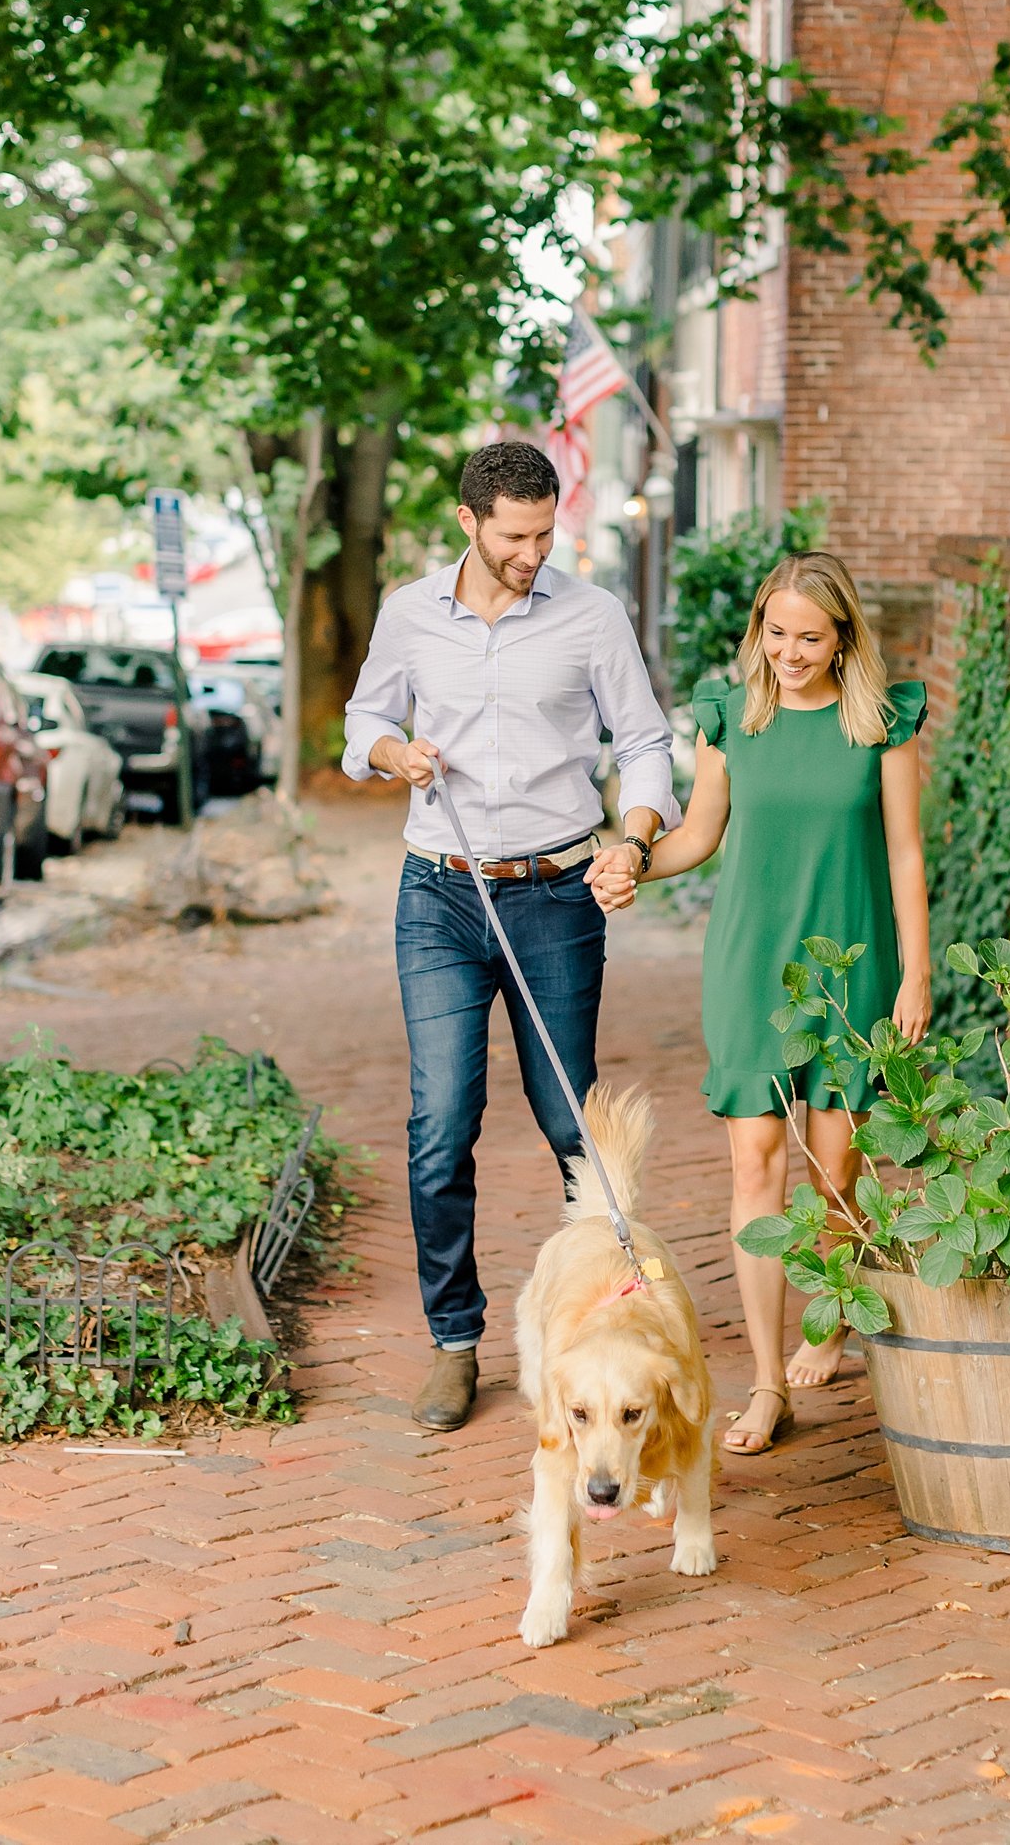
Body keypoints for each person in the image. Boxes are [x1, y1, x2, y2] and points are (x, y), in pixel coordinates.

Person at [343, 441, 677, 1433]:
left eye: (546, 533)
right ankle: (454, 1340)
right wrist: (396, 749)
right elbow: (362, 725)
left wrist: (637, 834)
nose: (535, 552)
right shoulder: (410, 614)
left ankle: (622, 1311)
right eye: (516, 536)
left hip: (555, 893)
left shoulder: (591, 616)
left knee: (572, 1121)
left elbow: (646, 742)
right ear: (470, 524)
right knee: (441, 1123)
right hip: (438, 894)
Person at [588, 551, 929, 1453]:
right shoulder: (731, 719)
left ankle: (837, 1311)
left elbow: (904, 855)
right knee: (756, 1166)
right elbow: (698, 835)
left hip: (854, 966)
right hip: (750, 966)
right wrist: (630, 860)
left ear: (843, 636)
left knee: (838, 1171)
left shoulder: (883, 727)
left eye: (809, 637)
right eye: (775, 633)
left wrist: (917, 974)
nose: (789, 651)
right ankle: (770, 1381)